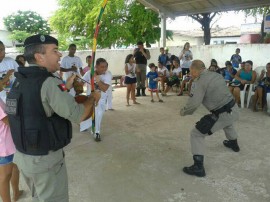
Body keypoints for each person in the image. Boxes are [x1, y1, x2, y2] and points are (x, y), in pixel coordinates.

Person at [5, 34, 100, 201]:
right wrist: (92, 98)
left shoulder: (19, 79)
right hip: (45, 162)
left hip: (24, 157)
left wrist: (64, 87)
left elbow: (36, 102)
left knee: (39, 198)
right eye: (55, 50)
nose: (60, 54)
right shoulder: (49, 82)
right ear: (39, 57)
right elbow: (79, 115)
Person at [180, 60, 240, 177]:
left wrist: (184, 111)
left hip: (222, 113)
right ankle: (234, 144)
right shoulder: (216, 74)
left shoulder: (199, 82)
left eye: (191, 71)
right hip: (234, 109)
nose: (190, 74)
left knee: (196, 134)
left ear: (195, 70)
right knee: (227, 122)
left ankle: (198, 167)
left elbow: (193, 104)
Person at [0, 89, 23, 202]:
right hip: (5, 145)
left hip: (8, 143)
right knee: (4, 177)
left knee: (14, 168)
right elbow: (7, 120)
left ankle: (16, 192)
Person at [93, 58, 111, 141]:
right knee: (95, 114)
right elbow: (81, 82)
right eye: (102, 67)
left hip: (102, 98)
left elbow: (104, 89)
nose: (104, 69)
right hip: (92, 97)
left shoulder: (108, 74)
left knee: (99, 114)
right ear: (96, 67)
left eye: (105, 67)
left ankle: (96, 131)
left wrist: (98, 79)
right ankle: (95, 131)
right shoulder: (90, 73)